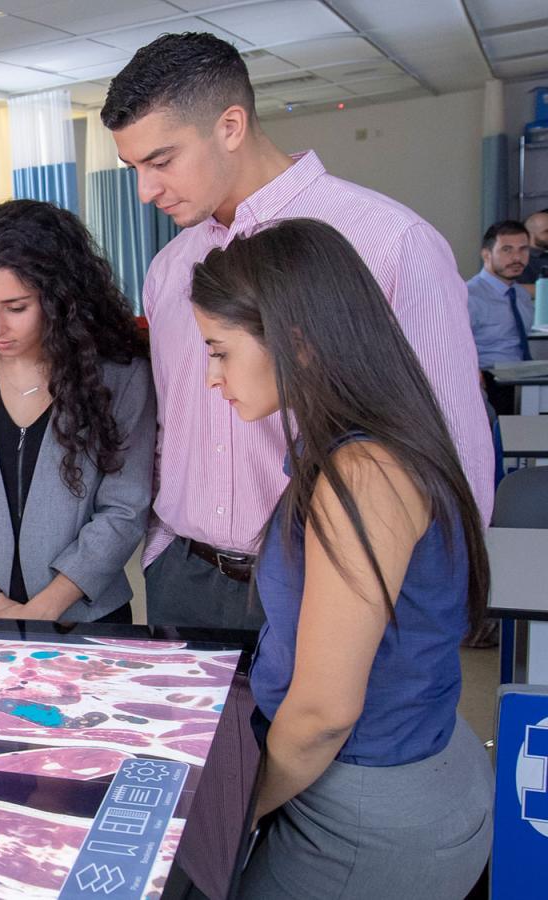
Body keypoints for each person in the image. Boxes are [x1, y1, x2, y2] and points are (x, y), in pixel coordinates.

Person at [102, 32, 494, 629]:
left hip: (325, 584)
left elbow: (452, 451)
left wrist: (419, 613)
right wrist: (162, 550)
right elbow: (172, 431)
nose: (145, 190)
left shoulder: (389, 243)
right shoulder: (170, 268)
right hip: (183, 576)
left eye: (161, 161)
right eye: (133, 167)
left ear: (230, 125)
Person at [189, 218, 492, 899]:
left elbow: (324, 710)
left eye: (220, 351)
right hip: (382, 775)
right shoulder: (360, 447)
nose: (213, 378)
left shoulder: (365, 475)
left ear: (295, 343)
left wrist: (229, 816)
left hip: (366, 807)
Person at [0, 200, 153, 622]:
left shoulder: (120, 379)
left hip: (85, 618)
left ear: (62, 299)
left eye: (17, 307)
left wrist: (45, 608)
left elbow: (123, 509)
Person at [467, 219, 536, 415]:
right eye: (507, 250)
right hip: (488, 381)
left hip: (522, 377)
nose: (517, 257)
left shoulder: (520, 296)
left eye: (523, 249)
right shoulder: (468, 296)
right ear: (486, 254)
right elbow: (454, 344)